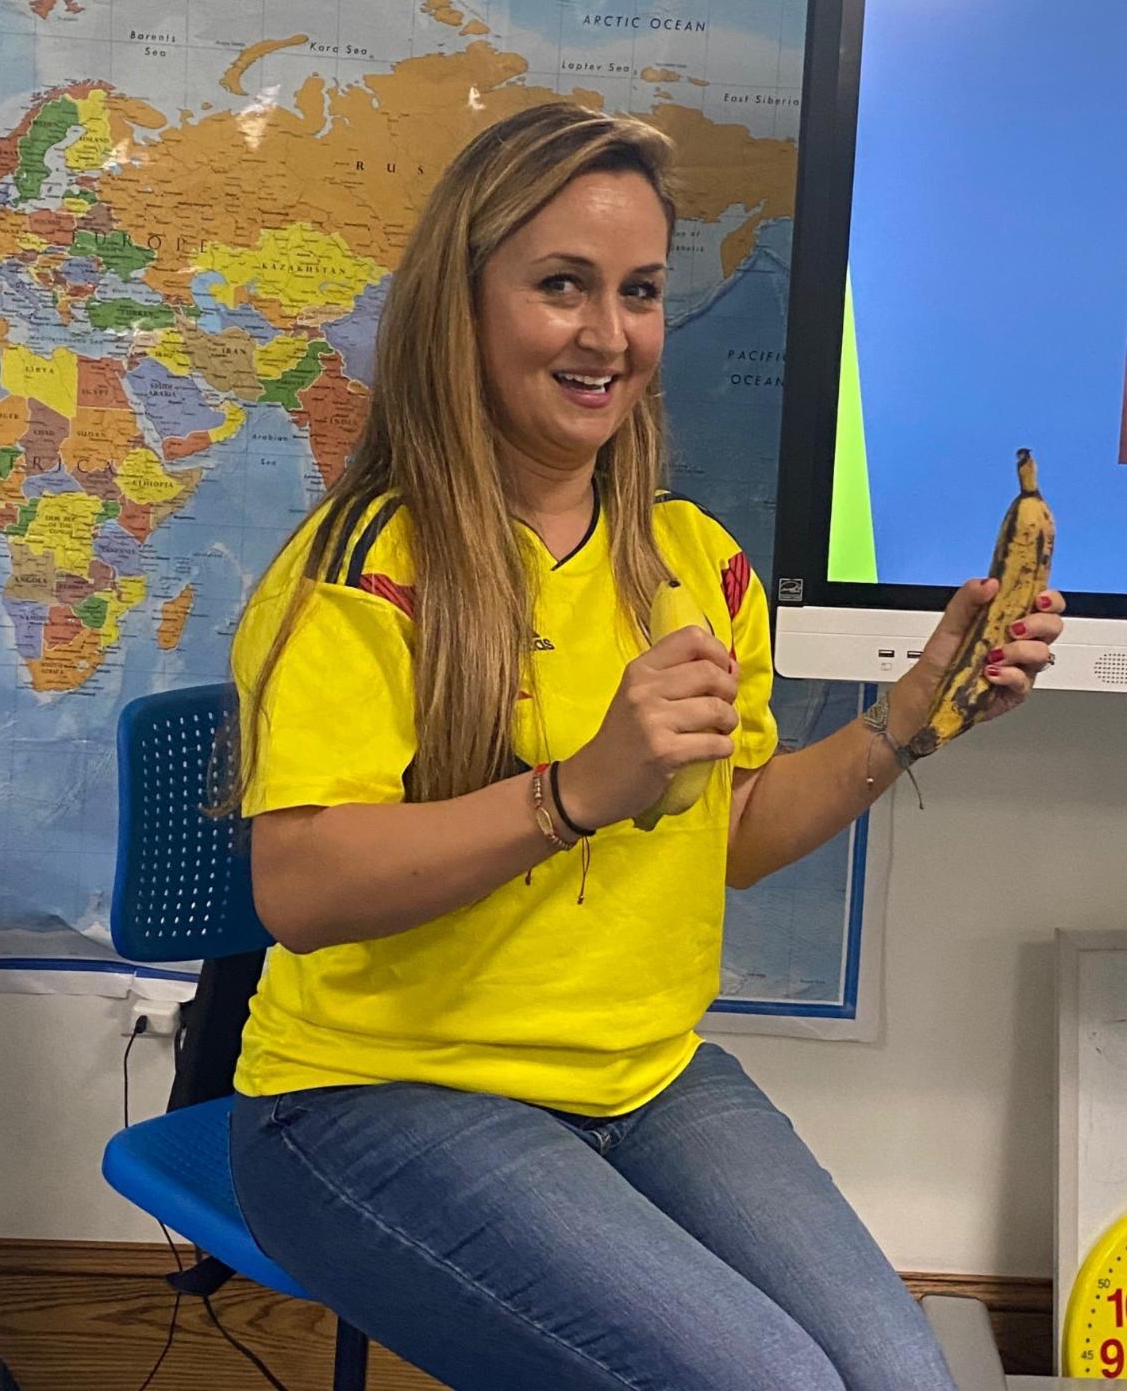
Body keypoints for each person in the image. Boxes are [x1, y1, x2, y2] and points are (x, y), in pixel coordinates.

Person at [227, 103, 1063, 1391]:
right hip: (369, 1097)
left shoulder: (696, 562)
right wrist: (573, 794)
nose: (608, 336)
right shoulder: (359, 570)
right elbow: (299, 888)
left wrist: (914, 713)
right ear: (462, 304)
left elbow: (730, 834)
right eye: (562, 285)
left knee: (903, 1376)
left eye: (640, 292)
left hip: (641, 1081)